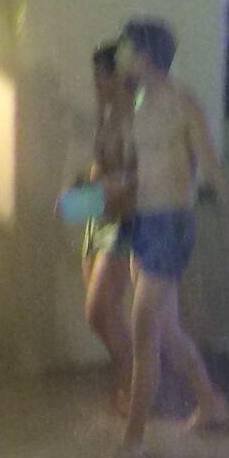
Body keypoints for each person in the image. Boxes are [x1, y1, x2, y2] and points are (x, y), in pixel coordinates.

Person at [113, 19, 229, 447]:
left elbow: (211, 169)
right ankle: (209, 400)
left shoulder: (183, 104)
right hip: (141, 222)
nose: (121, 57)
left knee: (144, 326)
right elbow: (135, 170)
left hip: (170, 225)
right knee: (167, 329)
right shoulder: (136, 104)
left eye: (126, 49)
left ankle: (133, 438)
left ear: (145, 57)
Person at [72, 44, 139, 408]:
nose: (96, 85)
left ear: (118, 77)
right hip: (99, 216)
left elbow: (137, 178)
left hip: (123, 220)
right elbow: (102, 168)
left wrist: (104, 186)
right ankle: (129, 380)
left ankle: (134, 383)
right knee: (101, 314)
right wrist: (86, 186)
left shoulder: (138, 118)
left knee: (99, 309)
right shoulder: (109, 116)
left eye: (101, 77)